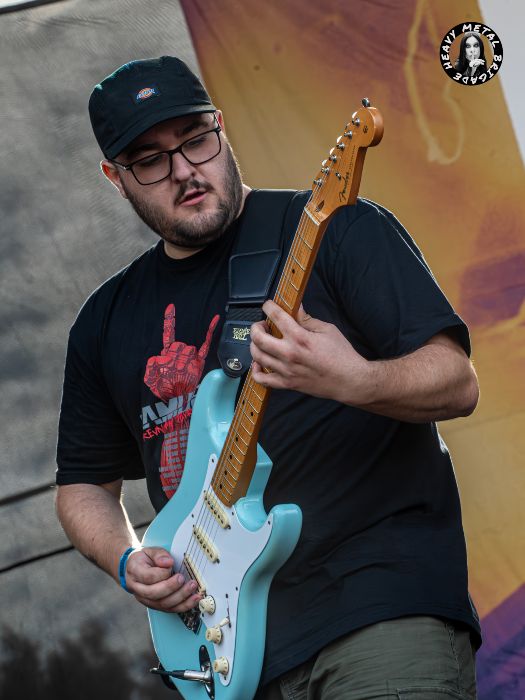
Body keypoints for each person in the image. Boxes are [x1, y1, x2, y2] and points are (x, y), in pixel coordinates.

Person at [56, 56, 481, 699]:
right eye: (150, 161)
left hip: (376, 607)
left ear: (221, 127)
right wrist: (127, 557)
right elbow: (83, 486)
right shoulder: (103, 322)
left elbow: (457, 381)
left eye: (195, 139)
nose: (184, 170)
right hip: (226, 653)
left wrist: (355, 379)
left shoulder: (337, 229)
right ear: (115, 178)